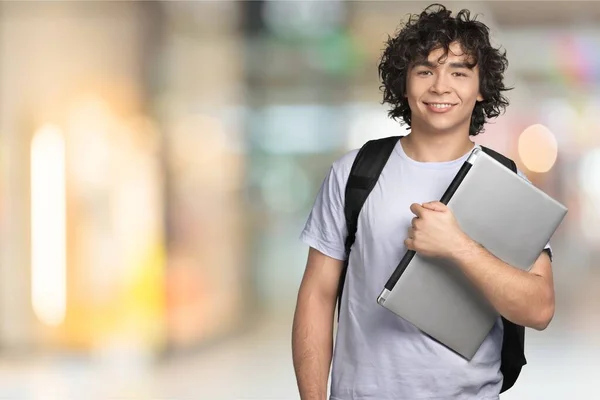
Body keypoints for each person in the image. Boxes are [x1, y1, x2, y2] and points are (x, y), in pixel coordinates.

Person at [291, 4, 555, 400]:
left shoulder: (506, 183)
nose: (440, 86)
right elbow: (317, 296)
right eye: (425, 70)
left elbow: (539, 309)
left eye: (459, 72)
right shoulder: (354, 173)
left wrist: (457, 247)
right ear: (405, 83)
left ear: (481, 88)